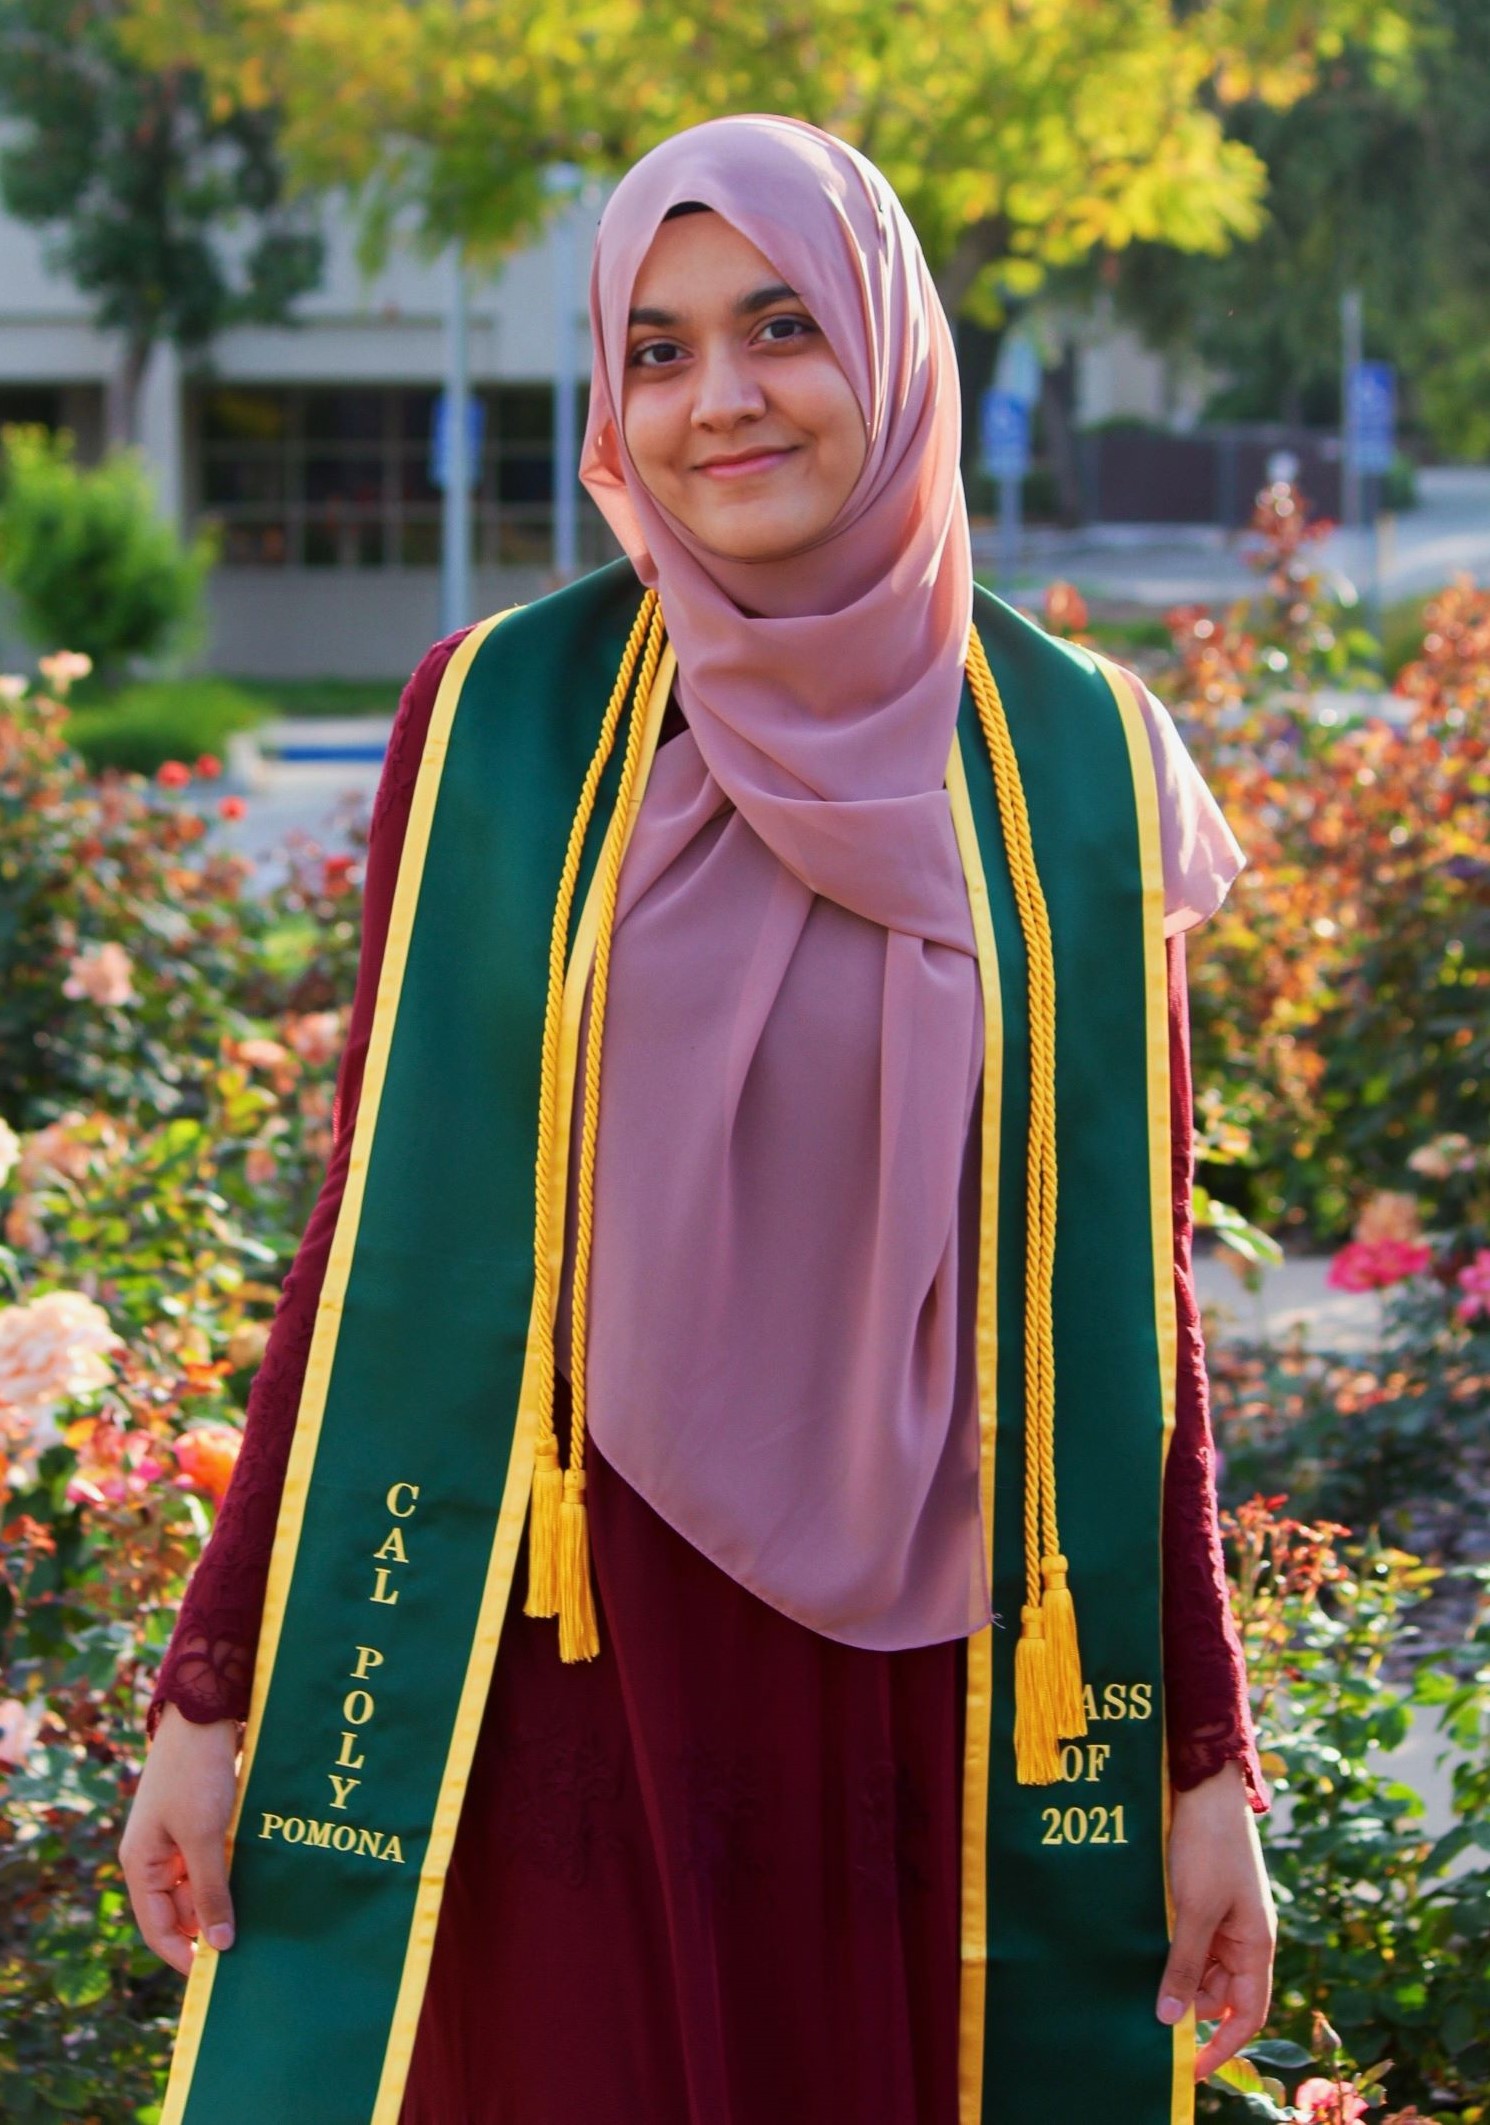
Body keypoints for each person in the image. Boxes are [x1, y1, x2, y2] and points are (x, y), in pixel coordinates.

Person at [122, 115, 1276, 2125]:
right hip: (553, 1671)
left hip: (955, 1705)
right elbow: (371, 1226)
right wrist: (210, 1688)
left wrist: (1201, 1766)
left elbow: (1127, 1294)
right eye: (653, 350)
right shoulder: (497, 718)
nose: (717, 400)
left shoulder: (1075, 760)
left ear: (890, 348)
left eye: (777, 328)